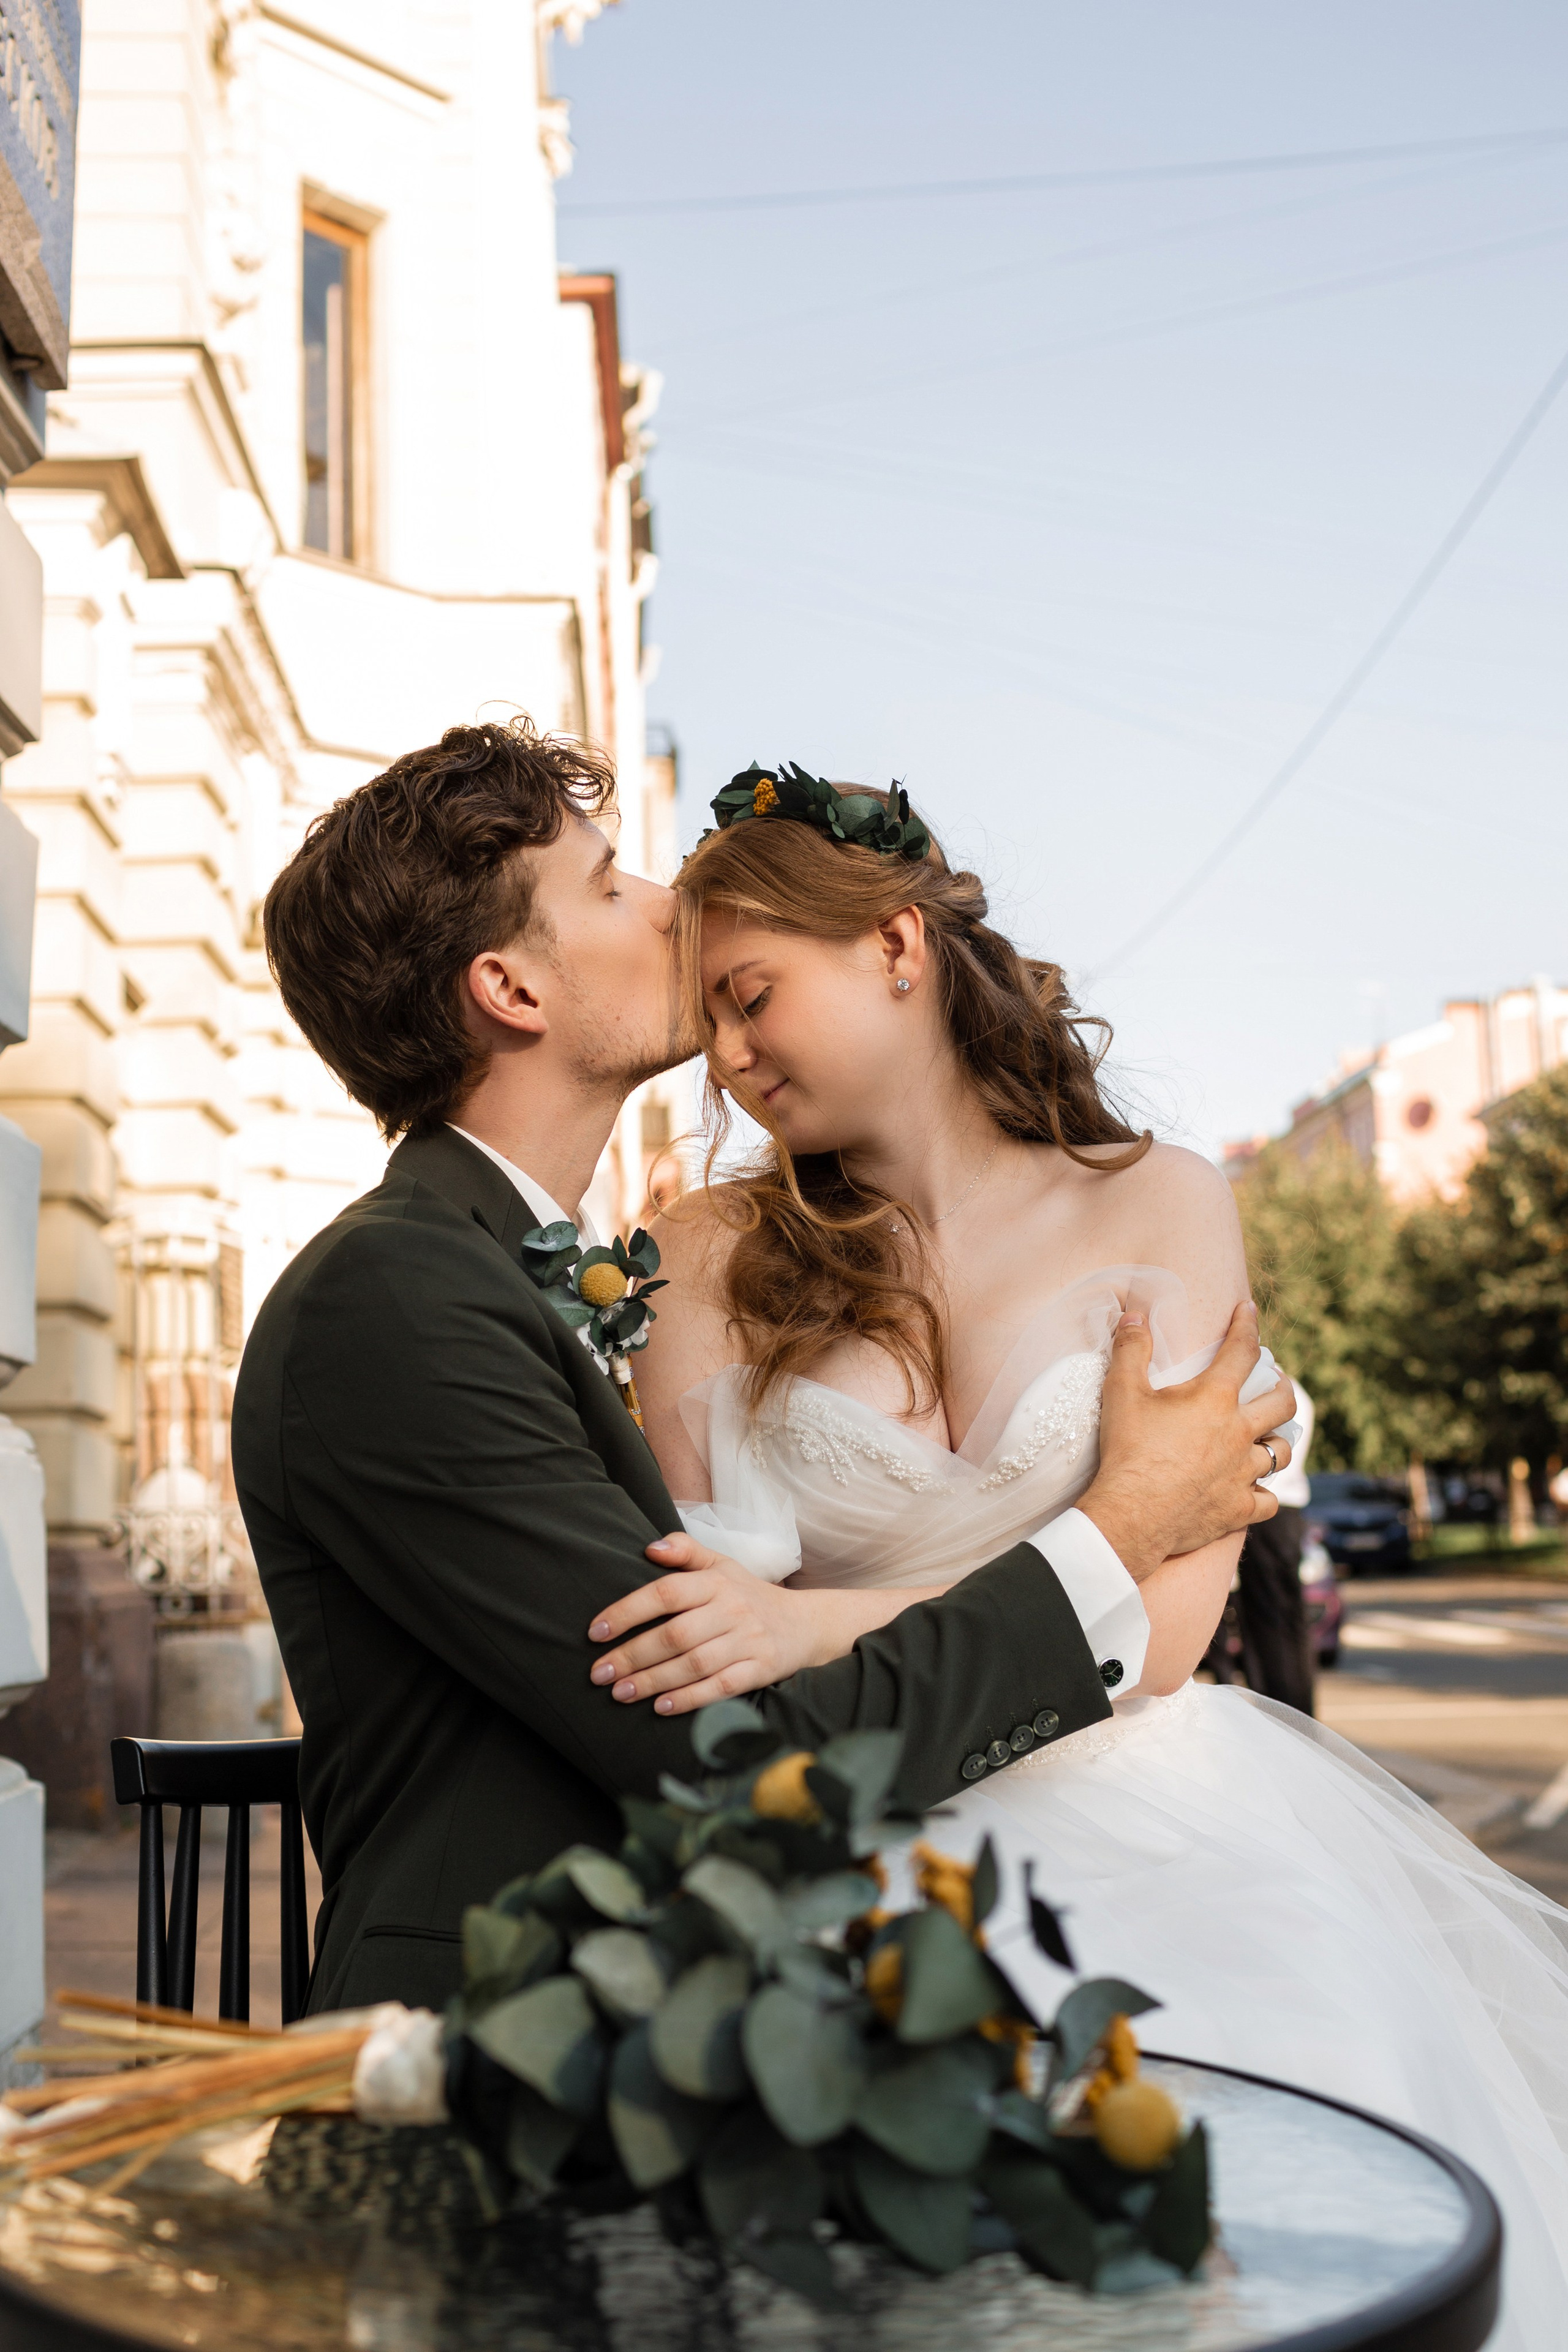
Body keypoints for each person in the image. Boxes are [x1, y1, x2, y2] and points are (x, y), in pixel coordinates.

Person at [604, 764, 1568, 2348]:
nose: (725, 1056)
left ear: (898, 949)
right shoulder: (706, 1257)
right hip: (860, 1845)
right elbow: (711, 1614)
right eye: (709, 1017)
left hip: (1170, 1824)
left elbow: (1173, 1620)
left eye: (753, 996)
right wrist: (790, 1634)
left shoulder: (1164, 1203)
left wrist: (813, 1624)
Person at [230, 720, 1292, 2018]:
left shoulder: (491, 1267)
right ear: (511, 990)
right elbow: (717, 1748)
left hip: (763, 1958)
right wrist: (1123, 1524)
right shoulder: (394, 1299)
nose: (670, 907)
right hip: (509, 2033)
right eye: (612, 883)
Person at [1203, 1376, 1316, 1711]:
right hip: (1277, 1511)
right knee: (1273, 1621)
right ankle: (1285, 1710)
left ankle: (1285, 1712)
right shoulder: (1275, 1379)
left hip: (1271, 1510)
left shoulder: (1265, 1378)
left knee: (1273, 1621)